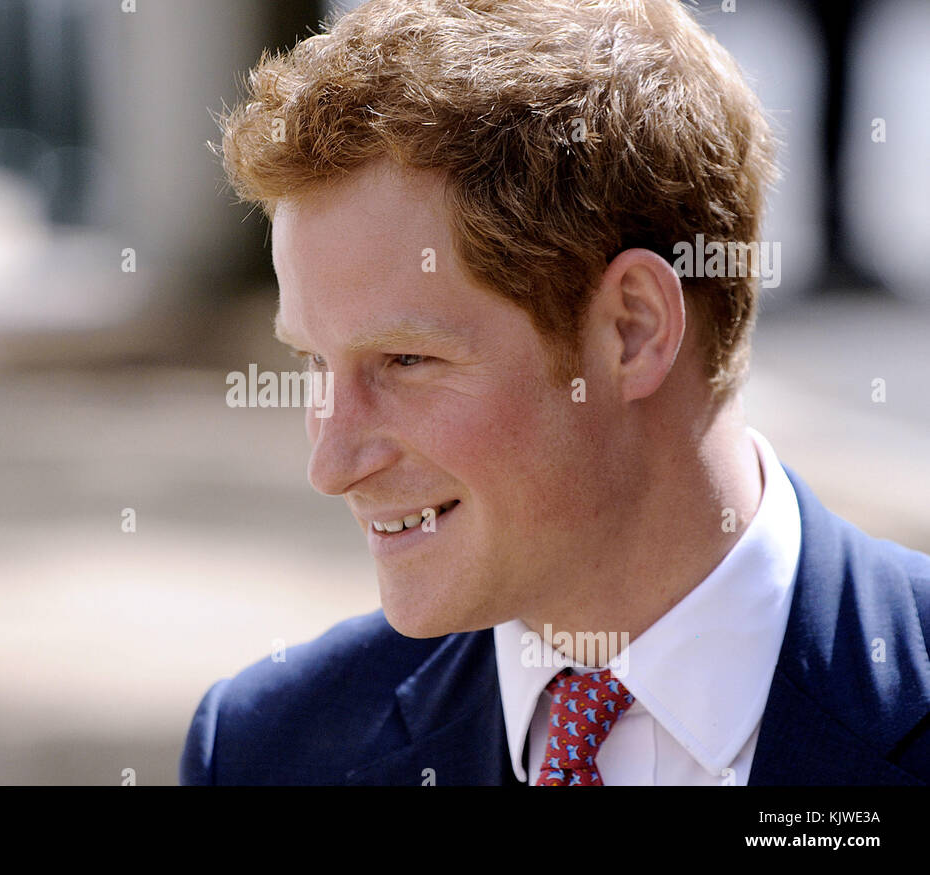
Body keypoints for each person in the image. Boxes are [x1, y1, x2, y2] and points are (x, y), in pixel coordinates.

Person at [180, 0, 930, 785]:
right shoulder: (266, 751)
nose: (331, 464)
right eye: (314, 362)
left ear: (632, 330)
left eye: (405, 360)